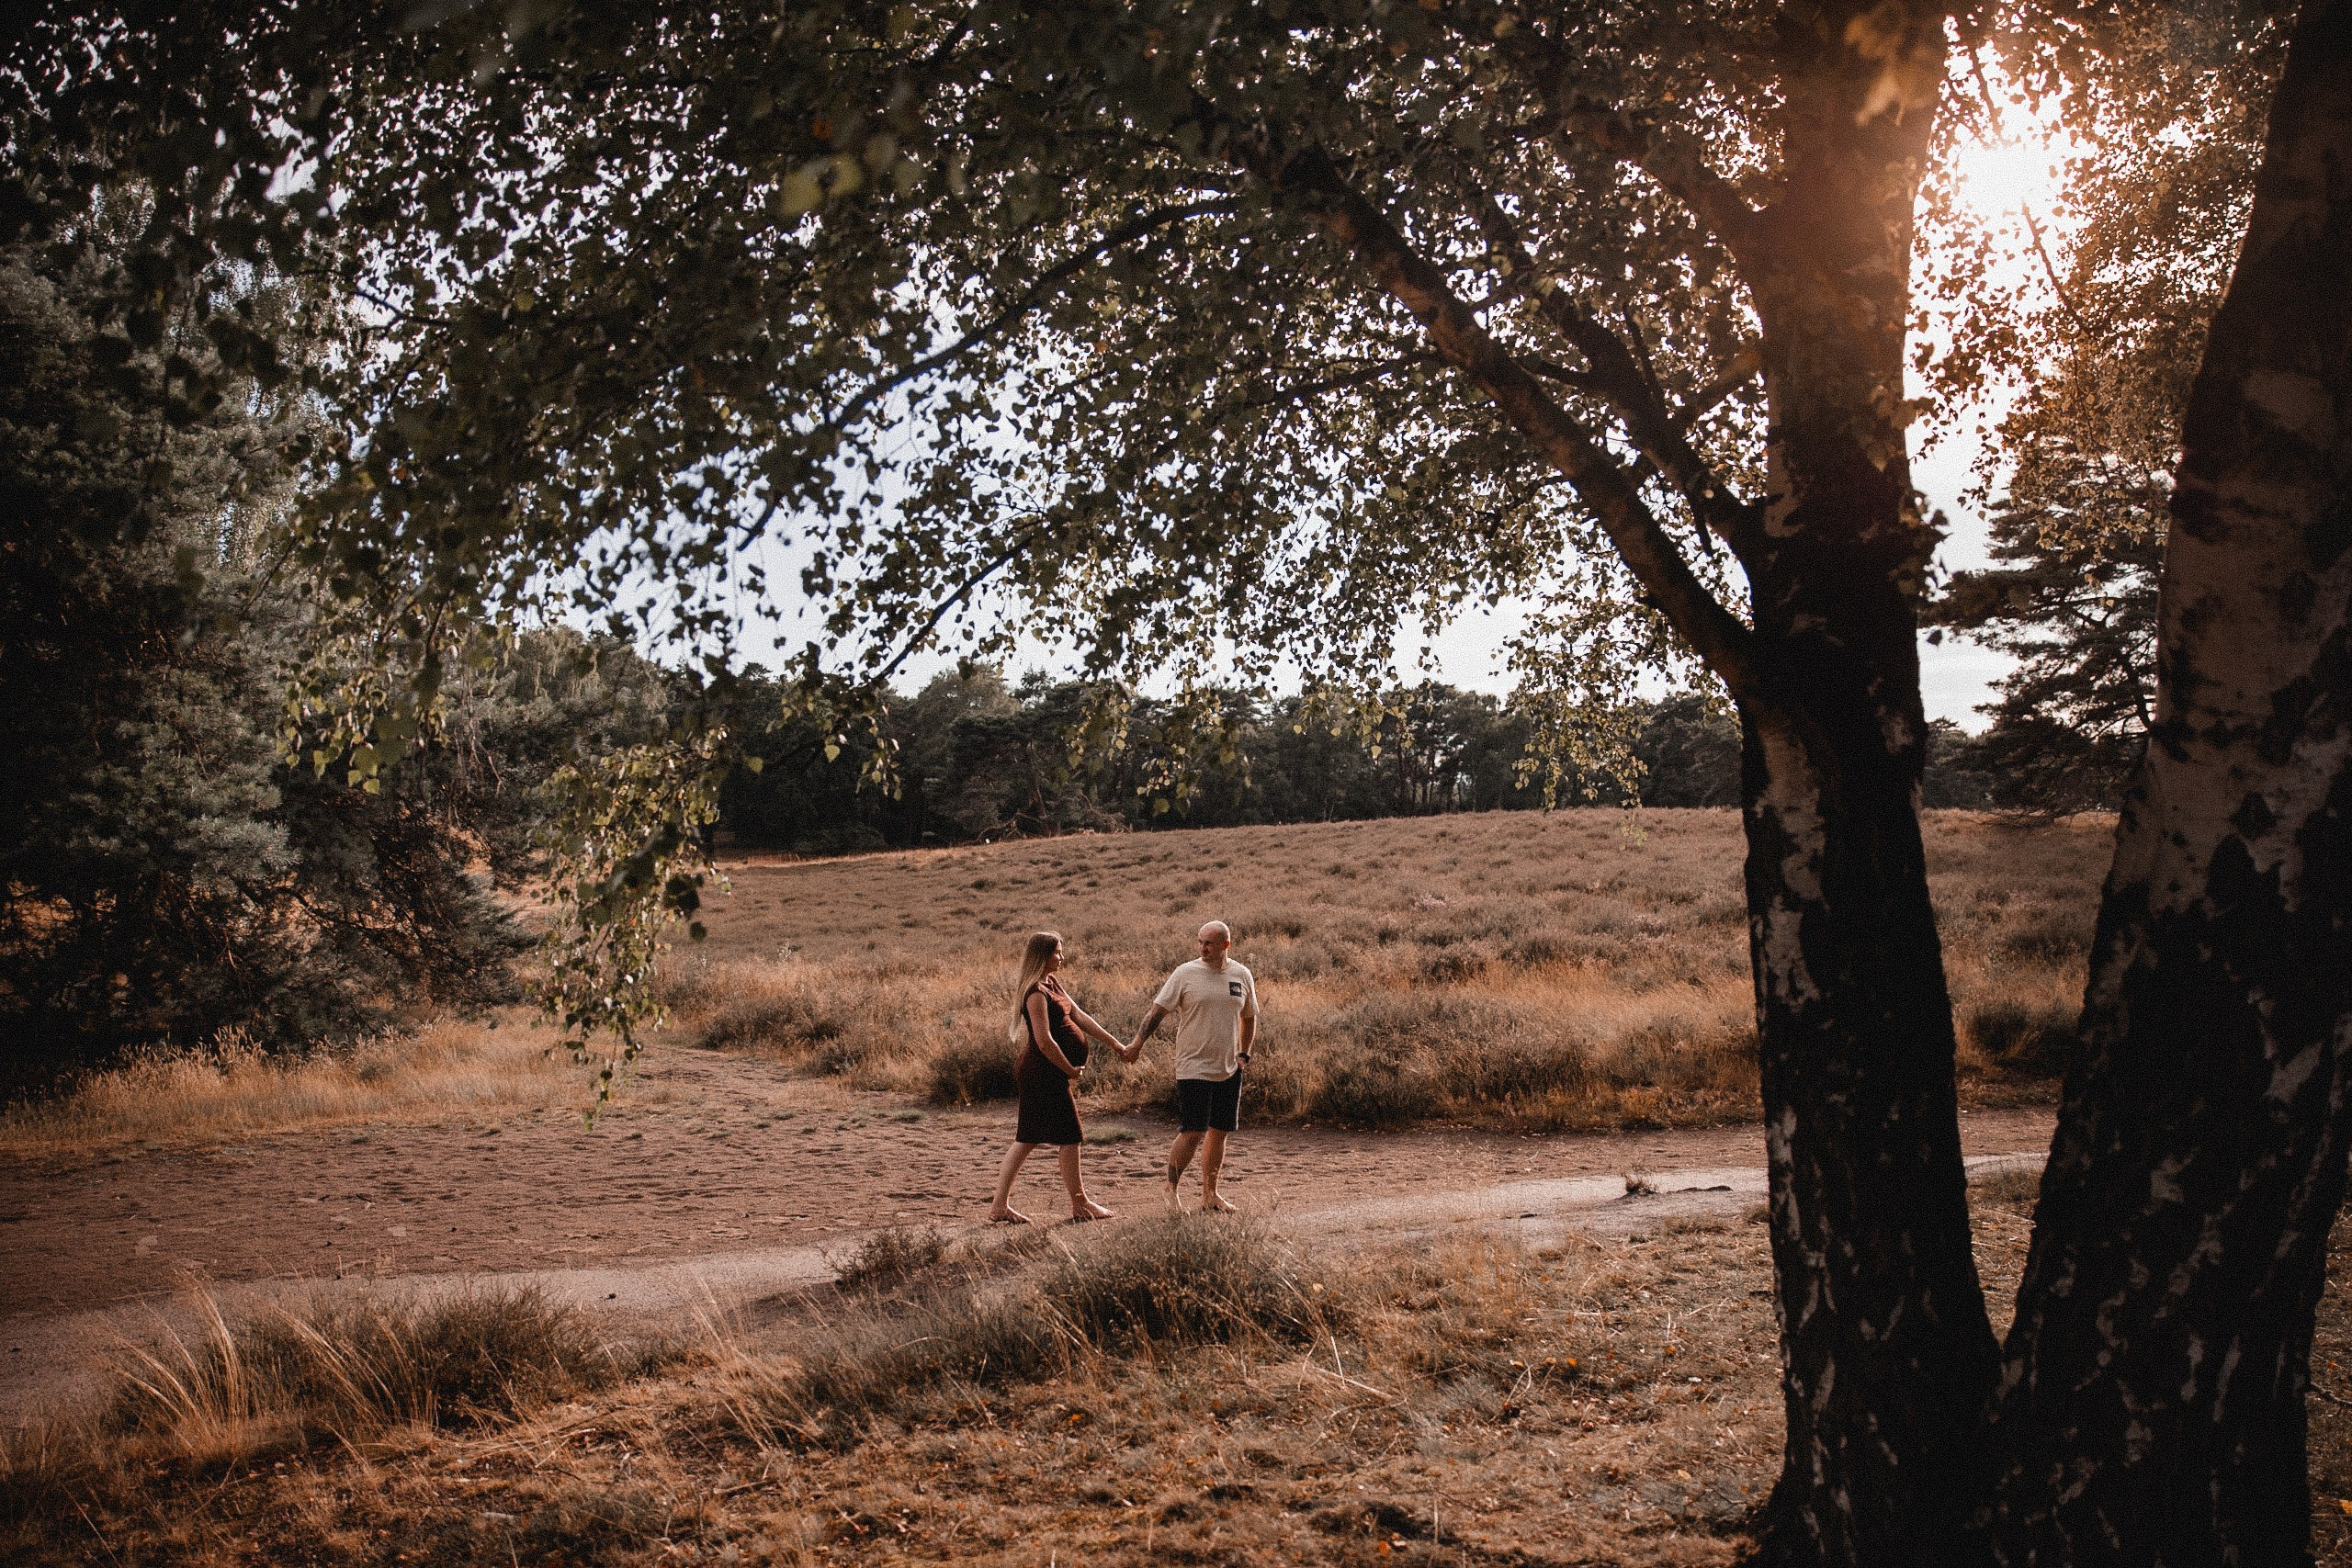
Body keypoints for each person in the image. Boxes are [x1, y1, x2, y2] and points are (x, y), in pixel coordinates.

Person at [1121, 920, 1259, 1213]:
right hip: (1193, 1065)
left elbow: (1250, 1016)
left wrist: (1244, 1054)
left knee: (1219, 1131)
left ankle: (1211, 1195)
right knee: (1193, 1132)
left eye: (1209, 943)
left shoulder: (1241, 974)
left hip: (1229, 1067)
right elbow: (1156, 1012)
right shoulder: (1185, 973)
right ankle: (1171, 1191)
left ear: (1225, 945)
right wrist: (1136, 1044)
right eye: (1200, 942)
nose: (1203, 948)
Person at [988, 930, 1124, 1224]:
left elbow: (1080, 1016)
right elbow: (1044, 1040)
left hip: (1048, 1074)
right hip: (1042, 1074)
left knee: (1032, 1138)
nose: (1062, 958)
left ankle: (1002, 1205)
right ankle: (1080, 1204)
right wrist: (1069, 1069)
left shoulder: (1052, 984)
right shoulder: (1036, 992)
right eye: (1057, 952)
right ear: (1043, 955)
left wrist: (1114, 1043)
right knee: (1064, 1136)